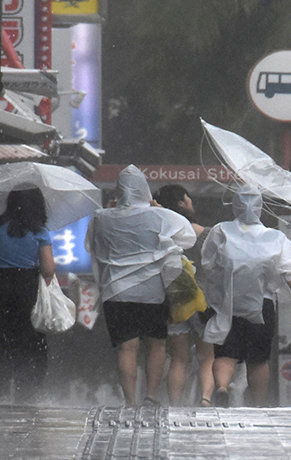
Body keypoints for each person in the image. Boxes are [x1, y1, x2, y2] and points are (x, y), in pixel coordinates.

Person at [87, 166, 196, 405]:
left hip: (116, 292)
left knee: (127, 348)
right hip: (152, 292)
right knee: (156, 345)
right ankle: (151, 395)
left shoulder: (101, 217)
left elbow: (92, 247)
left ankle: (129, 400)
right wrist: (158, 210)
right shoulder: (159, 216)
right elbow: (188, 236)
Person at [200, 185, 291, 407]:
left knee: (225, 352)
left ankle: (222, 387)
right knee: (258, 359)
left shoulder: (221, 231)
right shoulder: (274, 237)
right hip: (262, 305)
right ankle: (258, 403)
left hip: (229, 303)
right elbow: (290, 270)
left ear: (235, 206)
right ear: (261, 208)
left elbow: (208, 264)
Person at [0, 187, 56, 403]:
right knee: (29, 339)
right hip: (27, 288)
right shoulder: (39, 231)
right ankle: (26, 389)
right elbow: (48, 270)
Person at [154, 184, 215, 406]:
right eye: (187, 198)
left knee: (179, 358)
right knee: (207, 356)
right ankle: (206, 399)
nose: (190, 201)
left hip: (174, 299)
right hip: (202, 301)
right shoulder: (207, 235)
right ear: (181, 203)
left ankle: (175, 403)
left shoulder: (160, 233)